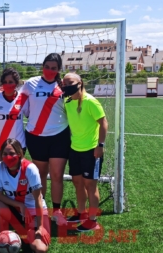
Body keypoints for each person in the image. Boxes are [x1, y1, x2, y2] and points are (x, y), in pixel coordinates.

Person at [0, 53, 70, 225]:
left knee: (57, 175)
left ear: (58, 70)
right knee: (39, 175)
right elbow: (14, 96)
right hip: (35, 136)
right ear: (42, 67)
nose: (50, 71)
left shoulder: (62, 86)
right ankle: (39, 209)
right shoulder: (30, 83)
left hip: (59, 135)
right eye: (47, 67)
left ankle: (56, 211)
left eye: (54, 68)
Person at [0, 139, 50, 252]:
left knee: (39, 249)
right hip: (16, 210)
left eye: (11, 153)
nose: (8, 157)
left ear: (19, 154)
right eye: (5, 154)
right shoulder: (0, 167)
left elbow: (38, 198)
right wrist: (20, 205)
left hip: (33, 212)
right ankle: (2, 238)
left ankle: (29, 231)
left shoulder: (30, 168)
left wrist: (39, 227)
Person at [62, 73, 108, 231]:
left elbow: (103, 123)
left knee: (90, 185)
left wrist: (100, 145)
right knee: (78, 183)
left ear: (80, 83)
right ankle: (81, 213)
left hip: (91, 151)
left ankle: (93, 220)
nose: (67, 85)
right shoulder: (67, 102)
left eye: (70, 82)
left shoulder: (90, 101)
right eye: (64, 83)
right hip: (75, 149)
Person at [0, 68, 28, 179]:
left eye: (11, 82)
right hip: (0, 146)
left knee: (17, 178)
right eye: (5, 82)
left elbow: (30, 115)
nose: (7, 85)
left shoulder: (23, 99)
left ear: (16, 83)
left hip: (19, 146)